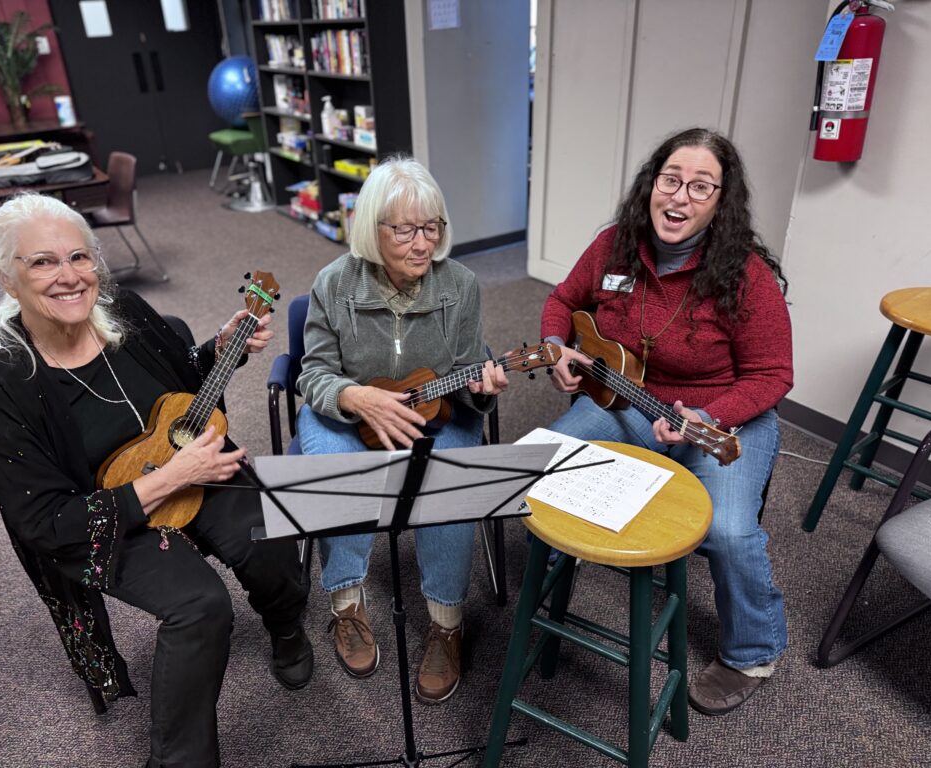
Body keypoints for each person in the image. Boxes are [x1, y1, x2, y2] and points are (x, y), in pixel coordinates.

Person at [0, 192, 312, 767]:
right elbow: (45, 522)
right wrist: (171, 478)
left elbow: (185, 387)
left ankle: (286, 624)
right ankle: (179, 760)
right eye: (43, 262)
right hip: (101, 513)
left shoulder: (120, 307)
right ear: (7, 277)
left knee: (266, 533)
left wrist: (222, 351)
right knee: (200, 605)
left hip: (184, 466)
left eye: (80, 257)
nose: (70, 277)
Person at [541, 128, 792, 716]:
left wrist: (712, 414)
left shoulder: (744, 276)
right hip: (624, 402)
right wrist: (557, 347)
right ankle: (554, 568)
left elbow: (772, 374)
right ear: (652, 185)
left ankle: (753, 651)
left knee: (729, 532)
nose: (679, 198)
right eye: (671, 180)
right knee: (538, 463)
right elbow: (561, 301)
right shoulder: (613, 247)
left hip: (724, 419)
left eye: (700, 188)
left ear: (720, 202)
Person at [296, 156, 507, 704]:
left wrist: (477, 391)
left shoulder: (459, 285)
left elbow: (466, 366)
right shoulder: (333, 283)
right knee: (338, 473)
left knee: (453, 480)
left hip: (435, 409)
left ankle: (445, 622)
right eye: (406, 229)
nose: (422, 244)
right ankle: (346, 605)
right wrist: (354, 395)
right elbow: (313, 372)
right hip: (349, 408)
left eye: (432, 227)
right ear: (372, 228)